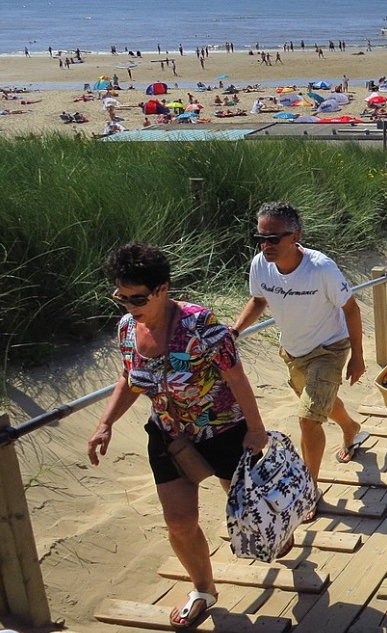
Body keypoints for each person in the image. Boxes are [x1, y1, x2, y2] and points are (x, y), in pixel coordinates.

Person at [88, 243, 269, 629]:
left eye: (137, 297)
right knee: (179, 521)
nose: (128, 305)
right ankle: (203, 589)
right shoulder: (126, 328)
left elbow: (235, 375)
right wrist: (106, 423)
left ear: (163, 289)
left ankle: (275, 528)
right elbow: (129, 378)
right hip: (169, 432)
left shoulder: (200, 324)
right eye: (120, 296)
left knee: (249, 507)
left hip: (222, 429)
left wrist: (255, 429)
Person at [232, 202, 367, 517]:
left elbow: (351, 309)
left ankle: (309, 490)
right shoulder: (260, 266)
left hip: (329, 350)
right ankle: (350, 427)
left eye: (274, 239)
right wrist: (235, 330)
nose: (266, 245)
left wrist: (357, 356)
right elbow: (258, 299)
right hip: (292, 352)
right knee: (319, 404)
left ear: (296, 236)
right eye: (261, 238)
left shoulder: (321, 269)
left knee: (308, 419)